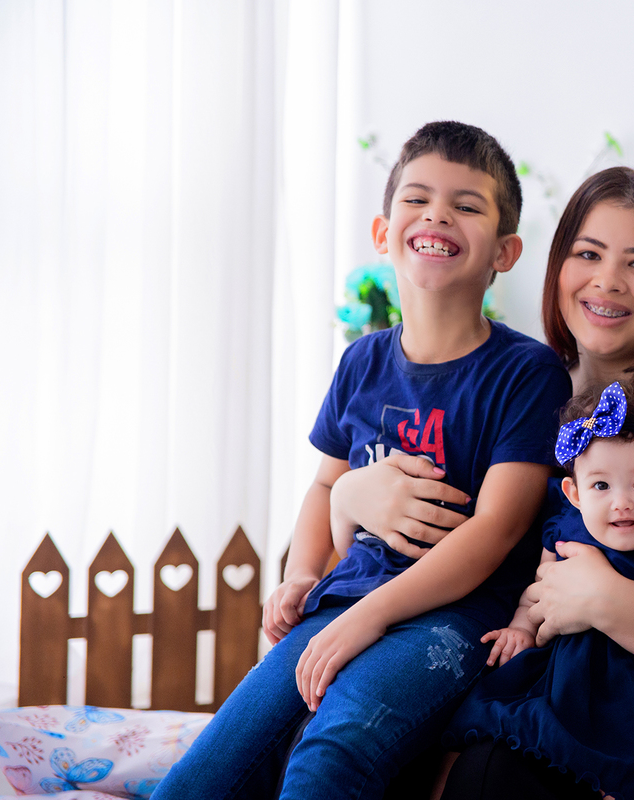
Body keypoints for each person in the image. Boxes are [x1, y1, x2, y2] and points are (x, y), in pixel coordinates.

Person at [334, 167, 634, 800]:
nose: (606, 281)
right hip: (515, 674)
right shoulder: (525, 387)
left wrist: (606, 599)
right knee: (359, 742)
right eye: (587, 254)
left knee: (487, 780)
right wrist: (348, 493)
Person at [151, 121, 571, 800]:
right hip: (344, 601)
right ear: (383, 234)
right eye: (418, 198)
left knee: (331, 756)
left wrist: (367, 618)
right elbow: (326, 484)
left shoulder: (528, 373)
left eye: (466, 205)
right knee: (202, 777)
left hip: (455, 619)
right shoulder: (362, 361)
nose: (438, 214)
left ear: (506, 251)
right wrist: (303, 574)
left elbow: (495, 532)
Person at [440, 380, 634, 800]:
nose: (621, 502)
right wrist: (522, 628)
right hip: (558, 689)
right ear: (574, 494)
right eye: (601, 486)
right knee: (477, 757)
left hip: (630, 706)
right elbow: (538, 593)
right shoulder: (567, 535)